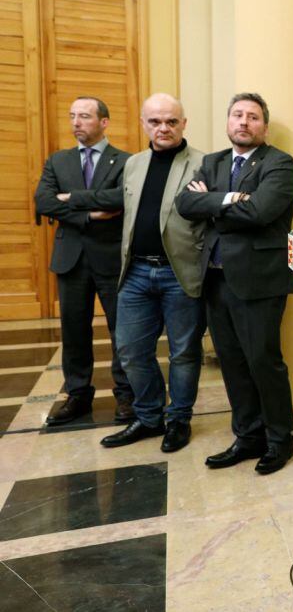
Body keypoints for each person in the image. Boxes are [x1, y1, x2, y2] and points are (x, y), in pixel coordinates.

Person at [176, 92, 293, 475]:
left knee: (263, 361)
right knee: (230, 361)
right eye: (237, 115)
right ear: (228, 121)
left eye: (253, 117)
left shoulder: (279, 163)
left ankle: (280, 440)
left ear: (264, 125)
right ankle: (247, 436)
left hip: (260, 280)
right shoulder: (212, 162)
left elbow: (261, 211)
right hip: (215, 278)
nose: (244, 122)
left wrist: (211, 204)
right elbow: (185, 205)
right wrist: (230, 198)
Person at [98, 94, 206, 453]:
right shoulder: (133, 165)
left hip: (181, 273)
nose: (164, 128)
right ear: (144, 123)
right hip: (137, 273)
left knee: (184, 353)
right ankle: (148, 417)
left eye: (171, 121)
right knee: (129, 349)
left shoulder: (204, 165)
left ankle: (178, 420)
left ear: (184, 124)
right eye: (156, 121)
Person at [34, 97, 133, 426]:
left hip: (111, 257)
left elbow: (120, 198)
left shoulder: (125, 162)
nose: (76, 122)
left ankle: (126, 395)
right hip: (70, 259)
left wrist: (73, 199)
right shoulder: (57, 161)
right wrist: (90, 215)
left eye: (85, 116)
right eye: (72, 116)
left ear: (104, 122)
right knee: (73, 330)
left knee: (123, 330)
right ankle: (78, 395)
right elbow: (44, 201)